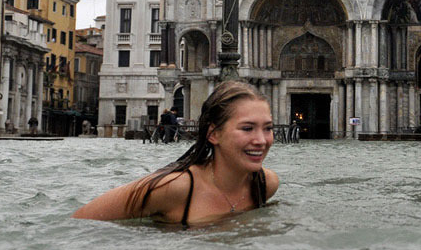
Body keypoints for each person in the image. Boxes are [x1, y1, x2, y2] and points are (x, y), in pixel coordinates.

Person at [73, 81, 280, 226]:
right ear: (213, 134)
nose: (261, 140)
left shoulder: (265, 184)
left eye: (268, 128)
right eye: (247, 128)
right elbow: (81, 221)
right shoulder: (175, 187)